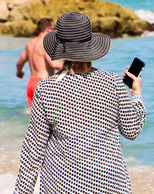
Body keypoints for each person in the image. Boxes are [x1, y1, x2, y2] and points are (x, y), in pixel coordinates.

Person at [14, 12, 146, 193]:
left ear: (60, 48)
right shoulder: (112, 82)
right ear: (91, 46)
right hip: (110, 184)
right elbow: (132, 131)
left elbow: (33, 151)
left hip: (62, 185)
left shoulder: (46, 89)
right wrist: (136, 94)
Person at [16, 18, 63, 107]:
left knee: (33, 115)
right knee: (49, 115)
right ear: (48, 30)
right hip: (43, 83)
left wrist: (19, 72)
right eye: (54, 29)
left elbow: (19, 63)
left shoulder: (30, 43)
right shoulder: (46, 42)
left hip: (31, 83)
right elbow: (55, 64)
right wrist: (72, 66)